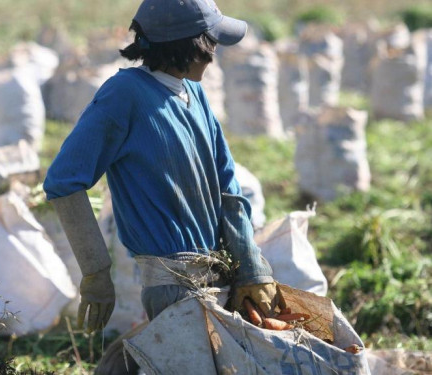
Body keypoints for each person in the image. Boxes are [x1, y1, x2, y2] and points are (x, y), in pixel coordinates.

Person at [43, 0, 284, 333]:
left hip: (220, 277)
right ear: (187, 44)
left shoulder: (194, 94)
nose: (214, 53)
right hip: (172, 288)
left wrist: (252, 267)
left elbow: (229, 188)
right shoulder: (124, 95)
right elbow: (63, 180)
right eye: (209, 42)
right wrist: (96, 272)